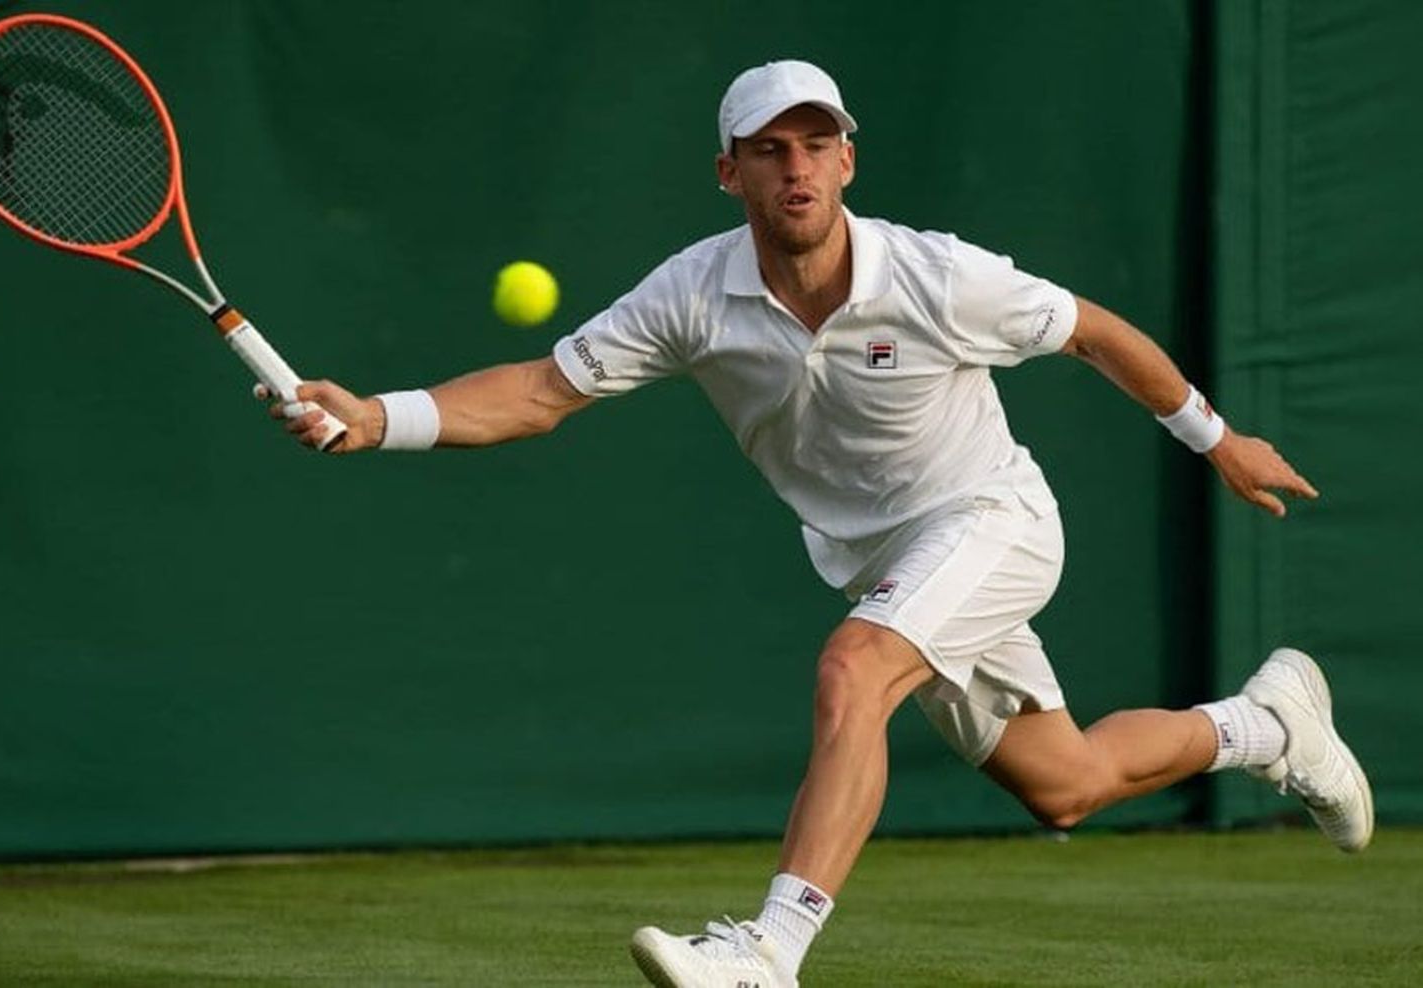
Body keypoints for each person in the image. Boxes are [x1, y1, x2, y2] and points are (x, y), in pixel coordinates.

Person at [270, 60, 1373, 988]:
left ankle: (768, 948)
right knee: (1066, 784)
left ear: (847, 160)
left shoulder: (940, 275)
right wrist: (378, 417)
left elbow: (1093, 330)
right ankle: (1271, 726)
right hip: (887, 557)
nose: (795, 166)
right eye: (769, 148)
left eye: (816, 144)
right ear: (728, 170)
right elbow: (538, 392)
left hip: (994, 517)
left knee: (856, 669)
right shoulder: (690, 296)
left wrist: (1214, 438)